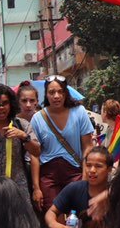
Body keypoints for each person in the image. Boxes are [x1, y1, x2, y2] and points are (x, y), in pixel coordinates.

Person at [44, 146, 113, 228]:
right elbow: (51, 212)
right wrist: (55, 225)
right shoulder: (75, 188)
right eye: (88, 165)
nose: (92, 170)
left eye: (98, 166)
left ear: (109, 169)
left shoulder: (116, 194)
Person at [29, 76, 94, 209]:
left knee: (78, 215)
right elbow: (34, 154)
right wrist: (36, 188)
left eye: (60, 91)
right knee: (52, 216)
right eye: (52, 92)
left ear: (66, 93)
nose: (56, 96)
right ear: (46, 95)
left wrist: (85, 177)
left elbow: (87, 146)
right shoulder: (37, 118)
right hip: (48, 176)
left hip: (75, 172)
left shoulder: (79, 112)